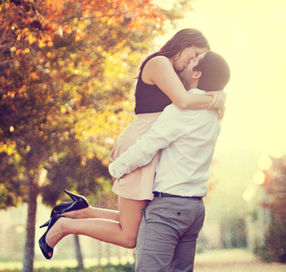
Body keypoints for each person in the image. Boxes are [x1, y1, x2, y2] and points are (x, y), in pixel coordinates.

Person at [100, 50, 231, 272]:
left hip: (167, 210)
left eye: (192, 63)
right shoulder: (214, 113)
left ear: (199, 75)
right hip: (193, 210)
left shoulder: (180, 112)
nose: (186, 66)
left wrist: (115, 168)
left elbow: (148, 146)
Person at [38, 29, 226, 259]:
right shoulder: (159, 62)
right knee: (130, 236)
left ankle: (80, 212)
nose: (193, 61)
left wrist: (216, 96)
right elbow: (184, 101)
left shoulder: (179, 76)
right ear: (184, 42)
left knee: (143, 220)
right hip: (142, 142)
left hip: (155, 145)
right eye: (195, 54)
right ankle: (64, 226)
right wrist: (216, 98)